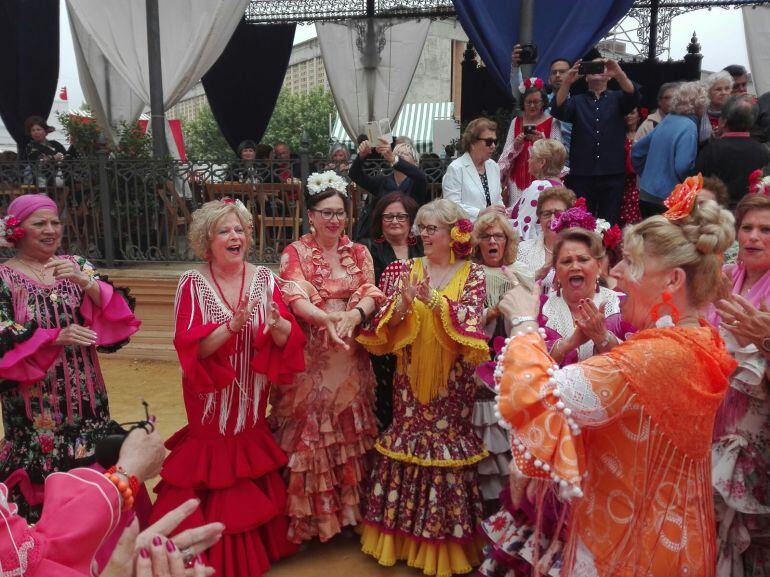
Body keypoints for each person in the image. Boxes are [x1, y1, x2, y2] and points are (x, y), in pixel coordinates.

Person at [495, 174, 737, 576]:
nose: (618, 272)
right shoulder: (697, 339)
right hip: (662, 527)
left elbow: (541, 393)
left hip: (634, 543)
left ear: (673, 280)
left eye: (633, 263)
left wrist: (523, 319)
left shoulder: (661, 355)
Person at [148, 199, 305, 577]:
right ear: (207, 241)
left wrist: (281, 327)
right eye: (225, 231)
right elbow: (193, 349)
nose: (235, 237)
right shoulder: (192, 283)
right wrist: (231, 327)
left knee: (248, 448)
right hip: (209, 405)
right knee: (214, 458)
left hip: (252, 403)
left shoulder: (267, 280)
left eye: (240, 230)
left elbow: (287, 339)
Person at [477, 224, 629, 577]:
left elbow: (635, 371)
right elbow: (524, 372)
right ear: (556, 271)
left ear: (600, 264)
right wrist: (569, 343)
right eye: (565, 261)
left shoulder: (622, 306)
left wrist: (602, 337)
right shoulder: (540, 309)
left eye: (582, 259)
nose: (574, 266)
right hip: (553, 442)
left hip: (608, 442)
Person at [358, 199, 489, 577]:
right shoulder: (407, 269)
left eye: (432, 229)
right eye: (422, 228)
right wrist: (404, 304)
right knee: (409, 441)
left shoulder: (474, 273)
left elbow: (472, 320)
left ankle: (443, 543)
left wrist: (433, 300)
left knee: (445, 446)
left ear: (452, 233)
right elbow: (387, 322)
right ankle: (403, 538)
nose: (423, 235)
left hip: (453, 381)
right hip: (410, 377)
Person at [0, 194, 140, 520]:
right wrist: (53, 337)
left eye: (54, 222)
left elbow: (118, 317)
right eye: (39, 224)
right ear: (18, 230)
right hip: (34, 404)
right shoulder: (4, 278)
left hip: (87, 397)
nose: (50, 230)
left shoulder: (77, 265)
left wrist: (84, 281)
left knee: (95, 476)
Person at [272, 173, 385, 543]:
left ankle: (349, 515)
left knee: (350, 430)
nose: (334, 220)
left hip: (351, 353)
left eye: (339, 212)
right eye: (326, 213)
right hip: (314, 356)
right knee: (312, 432)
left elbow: (370, 289)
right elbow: (292, 294)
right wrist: (325, 319)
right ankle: (311, 523)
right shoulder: (296, 252)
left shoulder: (360, 252)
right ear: (311, 216)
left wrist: (354, 316)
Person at [709, 192, 770, 577]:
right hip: (714, 424)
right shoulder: (724, 278)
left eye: (766, 229)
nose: (753, 236)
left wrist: (765, 340)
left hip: (758, 434)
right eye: (746, 227)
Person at [471, 212, 532, 508]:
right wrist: (491, 313)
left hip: (511, 367)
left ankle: (510, 504)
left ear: (508, 242)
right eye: (486, 237)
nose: (493, 241)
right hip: (478, 367)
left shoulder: (519, 275)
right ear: (477, 243)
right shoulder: (469, 275)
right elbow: (463, 322)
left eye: (499, 237)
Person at [361, 191, 423, 430]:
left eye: (401, 216)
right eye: (388, 217)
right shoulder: (369, 248)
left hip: (418, 330)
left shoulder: (423, 248)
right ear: (379, 219)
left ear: (411, 220)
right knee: (387, 390)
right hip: (385, 330)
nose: (395, 221)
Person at [552, 58, 641, 225]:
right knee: (582, 221)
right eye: (592, 67)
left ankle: (608, 251)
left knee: (610, 223)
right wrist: (567, 82)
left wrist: (618, 73)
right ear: (586, 76)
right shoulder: (577, 101)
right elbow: (559, 110)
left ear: (608, 76)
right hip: (582, 174)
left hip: (612, 172)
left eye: (602, 67)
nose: (597, 70)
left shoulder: (618, 99)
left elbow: (633, 96)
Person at [632, 81, 704, 217]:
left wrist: (646, 174)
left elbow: (637, 150)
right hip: (669, 198)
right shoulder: (689, 126)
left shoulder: (668, 119)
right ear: (698, 104)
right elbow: (683, 167)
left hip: (646, 194)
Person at [695, 94, 770, 208]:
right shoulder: (762, 151)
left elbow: (698, 184)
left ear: (723, 121)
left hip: (718, 212)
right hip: (750, 210)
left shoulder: (710, 150)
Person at [498, 78, 562, 208]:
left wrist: (542, 143)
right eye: (528, 102)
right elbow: (504, 157)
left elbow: (558, 155)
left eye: (536, 102)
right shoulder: (516, 122)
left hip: (543, 180)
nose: (532, 106)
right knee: (517, 214)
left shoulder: (553, 122)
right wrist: (516, 145)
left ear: (543, 102)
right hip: (517, 181)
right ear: (523, 103)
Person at [349, 138, 427, 239]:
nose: (400, 155)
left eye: (406, 153)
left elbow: (421, 177)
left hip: (410, 236)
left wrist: (395, 160)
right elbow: (355, 175)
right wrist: (361, 156)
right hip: (382, 236)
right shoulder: (382, 181)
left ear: (415, 163)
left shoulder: (417, 182)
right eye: (397, 153)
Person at [442, 117, 505, 220]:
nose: (493, 146)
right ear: (472, 143)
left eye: (495, 141)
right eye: (489, 141)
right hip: (468, 230)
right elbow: (451, 206)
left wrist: (503, 212)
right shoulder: (456, 168)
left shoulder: (494, 166)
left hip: (493, 228)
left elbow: (498, 199)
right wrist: (480, 213)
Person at [516, 187, 577, 286]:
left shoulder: (581, 250)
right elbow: (513, 287)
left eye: (559, 214)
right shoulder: (522, 250)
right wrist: (539, 275)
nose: (552, 219)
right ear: (539, 218)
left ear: (569, 217)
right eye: (546, 214)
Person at [509, 138, 567, 240]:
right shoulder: (561, 186)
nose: (528, 160)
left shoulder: (539, 187)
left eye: (531, 157)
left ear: (542, 163)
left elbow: (523, 227)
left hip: (534, 249)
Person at [24, 116, 67, 188]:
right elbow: (38, 161)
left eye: (38, 129)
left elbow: (65, 156)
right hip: (42, 177)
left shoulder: (55, 144)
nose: (36, 132)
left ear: (45, 130)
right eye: (33, 130)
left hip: (61, 175)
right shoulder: (31, 146)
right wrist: (54, 158)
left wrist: (59, 157)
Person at [620, 107, 643, 225]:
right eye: (627, 113)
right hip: (624, 180)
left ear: (639, 116)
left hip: (638, 180)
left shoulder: (643, 135)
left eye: (632, 113)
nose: (629, 116)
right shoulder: (619, 136)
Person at [701, 71, 734, 142]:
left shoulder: (738, 112)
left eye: (727, 88)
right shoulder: (700, 114)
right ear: (708, 93)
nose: (724, 92)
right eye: (718, 89)